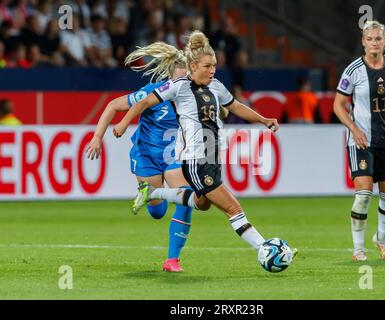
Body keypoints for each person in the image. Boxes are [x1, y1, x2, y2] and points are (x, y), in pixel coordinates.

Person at [112, 30, 297, 258]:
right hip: (196, 160)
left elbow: (236, 106)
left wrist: (263, 119)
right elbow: (143, 103)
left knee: (202, 203)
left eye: (214, 66)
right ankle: (266, 250)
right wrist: (122, 124)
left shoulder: (216, 86)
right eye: (207, 66)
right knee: (233, 208)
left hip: (212, 158)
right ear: (192, 66)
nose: (212, 71)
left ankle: (152, 193)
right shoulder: (178, 86)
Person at [86, 42, 196, 272]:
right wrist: (97, 137)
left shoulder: (195, 95)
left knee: (187, 199)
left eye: (185, 81)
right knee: (157, 212)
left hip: (173, 156)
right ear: (168, 78)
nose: (181, 87)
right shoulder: (152, 93)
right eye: (177, 81)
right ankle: (149, 194)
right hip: (146, 156)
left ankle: (172, 260)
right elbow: (113, 105)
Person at [333, 21, 385, 262]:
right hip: (361, 141)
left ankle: (382, 240)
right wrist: (354, 129)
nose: (374, 43)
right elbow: (338, 105)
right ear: (363, 42)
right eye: (370, 39)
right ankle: (358, 249)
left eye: (378, 38)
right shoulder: (353, 70)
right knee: (364, 194)